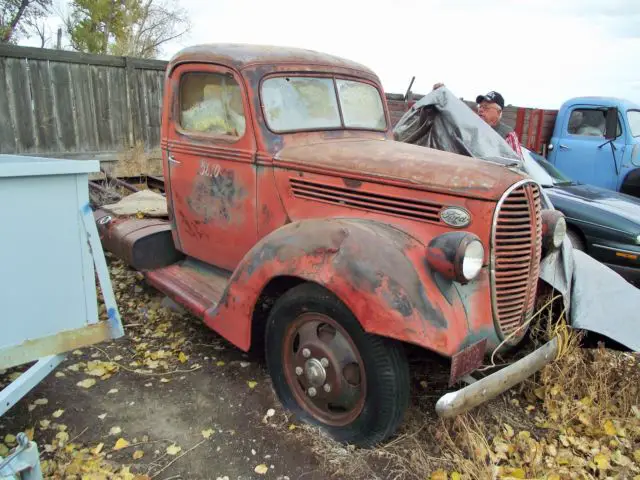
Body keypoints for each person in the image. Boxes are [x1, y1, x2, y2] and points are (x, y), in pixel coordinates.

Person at [433, 84, 523, 158]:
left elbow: (519, 166)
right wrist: (442, 95)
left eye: (486, 107)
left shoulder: (508, 135)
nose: (480, 110)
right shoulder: (471, 128)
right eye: (480, 106)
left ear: (498, 112)